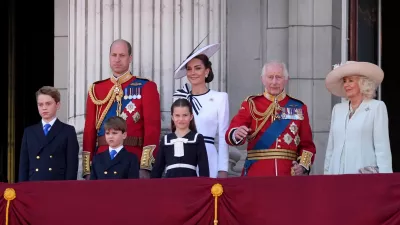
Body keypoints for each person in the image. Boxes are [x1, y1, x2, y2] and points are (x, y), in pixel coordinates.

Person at [82, 39, 161, 179]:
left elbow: (152, 128)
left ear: (130, 58)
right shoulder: (96, 89)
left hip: (134, 159)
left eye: (122, 55)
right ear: (109, 57)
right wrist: (87, 169)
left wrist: (146, 165)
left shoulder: (146, 86)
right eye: (114, 55)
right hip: (102, 161)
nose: (117, 59)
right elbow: (89, 130)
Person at [225, 61, 316, 177]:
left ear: (286, 80)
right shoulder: (251, 104)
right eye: (270, 77)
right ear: (263, 79)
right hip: (257, 174)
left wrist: (303, 166)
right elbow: (231, 132)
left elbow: (307, 145)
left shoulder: (299, 107)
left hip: (288, 175)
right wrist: (236, 133)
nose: (274, 82)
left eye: (278, 77)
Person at [324, 61, 392, 174]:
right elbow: (330, 148)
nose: (346, 84)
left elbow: (382, 149)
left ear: (362, 83)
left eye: (351, 80)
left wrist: (385, 181)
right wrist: (326, 174)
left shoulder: (376, 107)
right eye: (345, 81)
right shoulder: (338, 109)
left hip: (363, 176)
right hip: (335, 176)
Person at [173, 43, 229, 178]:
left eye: (198, 68)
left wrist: (223, 169)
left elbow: (223, 136)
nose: (193, 73)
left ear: (207, 71)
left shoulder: (220, 98)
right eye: (189, 69)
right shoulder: (179, 96)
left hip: (208, 156)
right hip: (183, 156)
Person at [18, 86, 79, 182]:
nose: (44, 108)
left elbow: (71, 166)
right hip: (33, 187)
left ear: (57, 105)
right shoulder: (29, 132)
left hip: (57, 186)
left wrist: (68, 189)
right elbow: (23, 166)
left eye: (48, 104)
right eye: (40, 104)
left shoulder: (68, 131)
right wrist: (22, 189)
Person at [151, 99, 209, 178]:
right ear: (172, 117)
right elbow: (157, 169)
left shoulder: (197, 138)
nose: (181, 119)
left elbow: (204, 168)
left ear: (191, 116)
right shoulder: (165, 140)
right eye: (177, 115)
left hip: (191, 184)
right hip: (170, 185)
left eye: (185, 115)